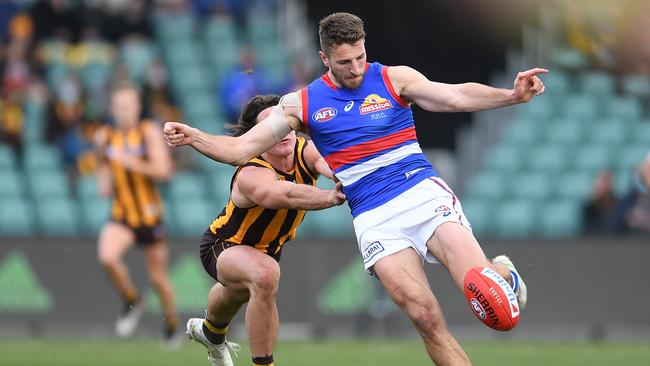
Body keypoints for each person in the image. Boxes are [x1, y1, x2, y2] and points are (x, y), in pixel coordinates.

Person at [164, 12, 546, 365]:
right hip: (374, 218)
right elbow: (241, 149)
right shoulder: (304, 103)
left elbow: (454, 96)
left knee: (484, 295)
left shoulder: (394, 78)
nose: (356, 68)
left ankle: (501, 273)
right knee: (424, 317)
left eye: (361, 57)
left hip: (422, 195)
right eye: (345, 62)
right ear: (324, 58)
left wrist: (510, 95)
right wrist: (194, 136)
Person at [184, 94, 345, 366]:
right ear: (257, 136)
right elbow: (283, 195)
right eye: (272, 127)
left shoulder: (305, 149)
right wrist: (331, 197)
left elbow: (330, 164)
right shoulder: (251, 171)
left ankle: (210, 332)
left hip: (267, 250)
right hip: (224, 246)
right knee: (265, 275)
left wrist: (346, 174)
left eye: (284, 124)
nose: (282, 132)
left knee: (243, 289)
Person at [95, 84, 181, 347]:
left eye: (128, 105)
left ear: (137, 107)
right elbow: (100, 162)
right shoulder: (105, 136)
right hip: (122, 213)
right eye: (119, 106)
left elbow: (164, 171)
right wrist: (104, 181)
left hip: (149, 214)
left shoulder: (147, 132)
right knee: (107, 256)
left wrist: (129, 161)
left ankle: (172, 323)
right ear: (111, 109)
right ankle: (132, 299)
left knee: (157, 278)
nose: (124, 111)